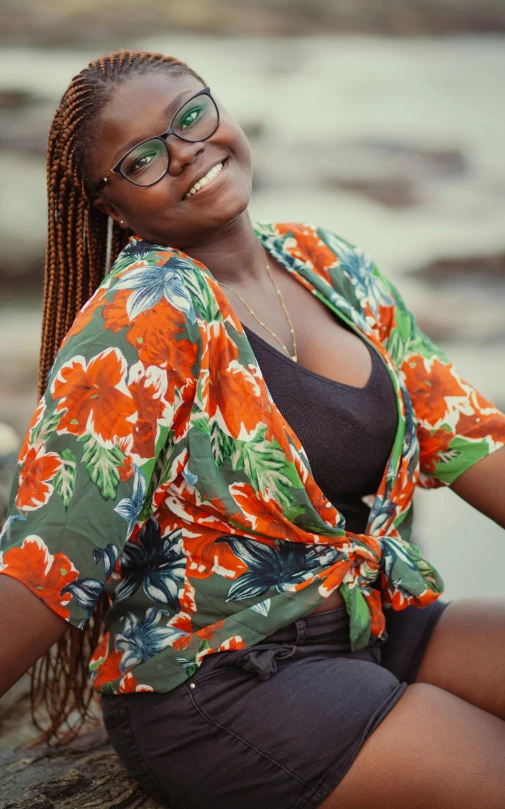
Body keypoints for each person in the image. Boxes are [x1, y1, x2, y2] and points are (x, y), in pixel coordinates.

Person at [1, 49, 505, 809]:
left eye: (190, 116)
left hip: (364, 619)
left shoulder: (322, 261)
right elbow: (47, 567)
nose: (184, 151)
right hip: (220, 681)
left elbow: (467, 436)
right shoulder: (140, 319)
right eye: (141, 158)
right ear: (113, 207)